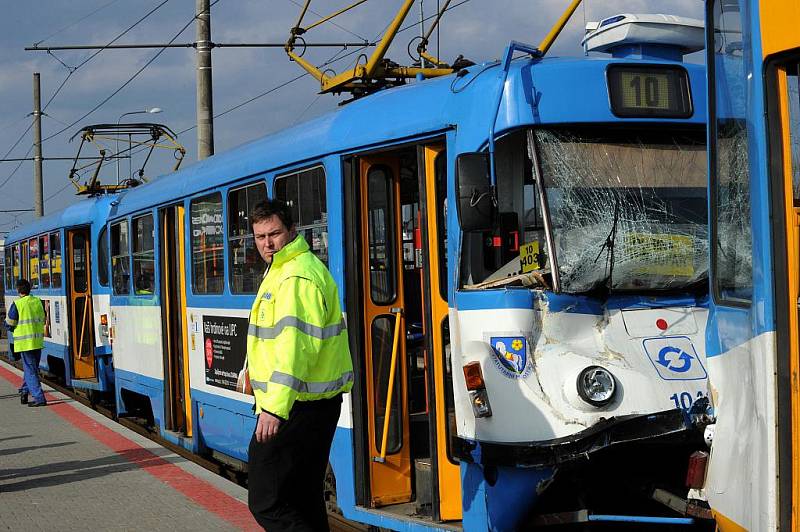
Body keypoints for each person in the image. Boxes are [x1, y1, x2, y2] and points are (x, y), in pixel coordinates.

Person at [246, 199, 353, 531]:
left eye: (274, 234)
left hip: (297, 406)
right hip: (310, 404)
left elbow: (295, 348)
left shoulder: (295, 276)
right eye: (260, 236)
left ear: (291, 231)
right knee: (304, 498)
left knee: (267, 500)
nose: (267, 243)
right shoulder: (285, 269)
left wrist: (274, 409)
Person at [5, 279, 47, 407]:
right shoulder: (38, 302)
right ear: (29, 289)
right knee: (31, 369)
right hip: (37, 342)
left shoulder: (17, 304)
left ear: (18, 290)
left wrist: (10, 327)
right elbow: (44, 318)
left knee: (30, 371)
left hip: (25, 343)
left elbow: (10, 323)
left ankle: (39, 398)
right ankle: (24, 391)